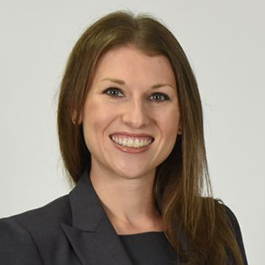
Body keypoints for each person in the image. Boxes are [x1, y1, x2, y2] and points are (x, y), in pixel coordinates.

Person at [0, 10, 248, 265]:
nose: (137, 118)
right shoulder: (24, 240)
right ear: (76, 107)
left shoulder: (217, 227)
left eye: (158, 96)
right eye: (114, 92)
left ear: (183, 118)